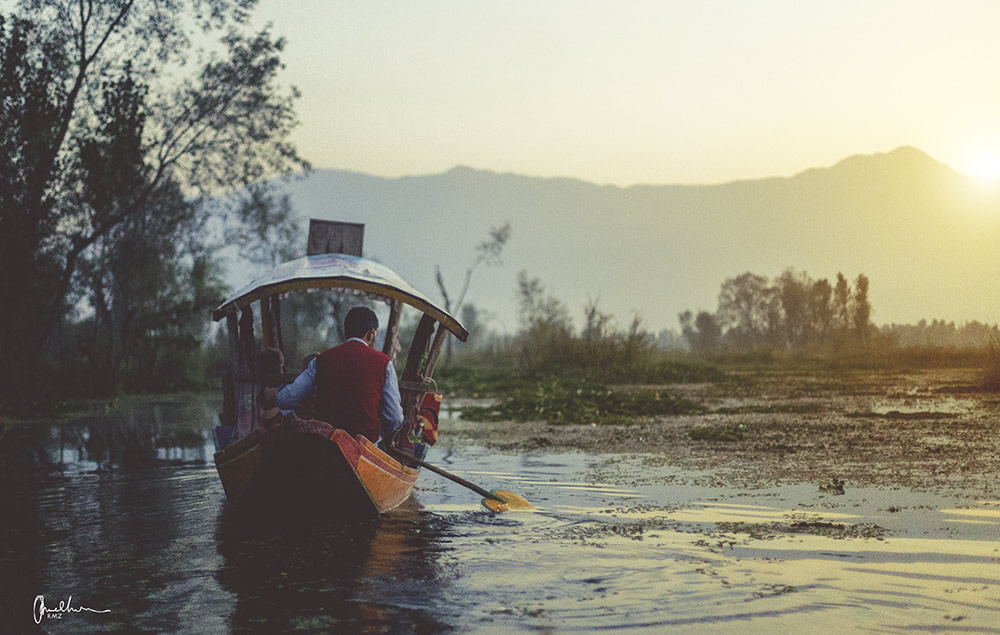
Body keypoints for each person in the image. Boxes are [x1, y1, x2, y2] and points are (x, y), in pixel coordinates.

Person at [277, 306, 404, 446]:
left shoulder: (321, 360)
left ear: (346, 332)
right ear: (371, 334)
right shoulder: (384, 363)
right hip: (366, 449)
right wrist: (384, 433)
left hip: (327, 446)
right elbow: (395, 418)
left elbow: (285, 399)